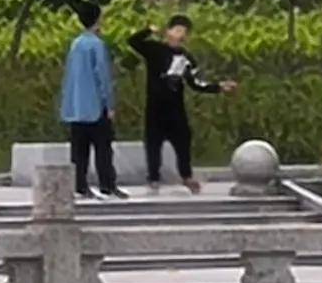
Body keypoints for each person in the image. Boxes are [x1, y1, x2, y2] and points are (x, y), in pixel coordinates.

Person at [126, 12, 234, 193]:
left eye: (183, 32)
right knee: (153, 143)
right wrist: (148, 30)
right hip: (155, 107)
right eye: (176, 30)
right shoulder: (155, 50)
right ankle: (153, 178)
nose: (180, 35)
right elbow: (133, 42)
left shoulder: (187, 58)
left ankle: (186, 176)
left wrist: (218, 87)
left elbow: (196, 83)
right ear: (168, 32)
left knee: (183, 139)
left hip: (175, 108)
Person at [58, 11, 124, 198]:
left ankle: (80, 185)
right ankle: (107, 184)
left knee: (79, 151)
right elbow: (102, 76)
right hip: (95, 106)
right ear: (97, 21)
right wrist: (110, 104)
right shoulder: (97, 45)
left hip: (76, 107)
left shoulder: (75, 44)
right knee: (103, 148)